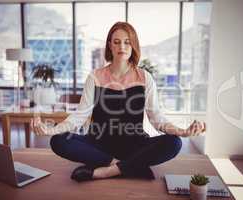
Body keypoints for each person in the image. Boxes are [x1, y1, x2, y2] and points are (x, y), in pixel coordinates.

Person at [31, 22, 206, 182]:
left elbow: (157, 118)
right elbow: (79, 116)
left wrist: (182, 131)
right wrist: (50, 129)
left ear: (133, 45)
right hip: (98, 144)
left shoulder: (145, 77)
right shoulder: (95, 77)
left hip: (134, 145)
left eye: (127, 42)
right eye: (116, 42)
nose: (121, 46)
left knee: (174, 143)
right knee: (58, 141)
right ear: (109, 45)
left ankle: (106, 171)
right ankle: (130, 167)